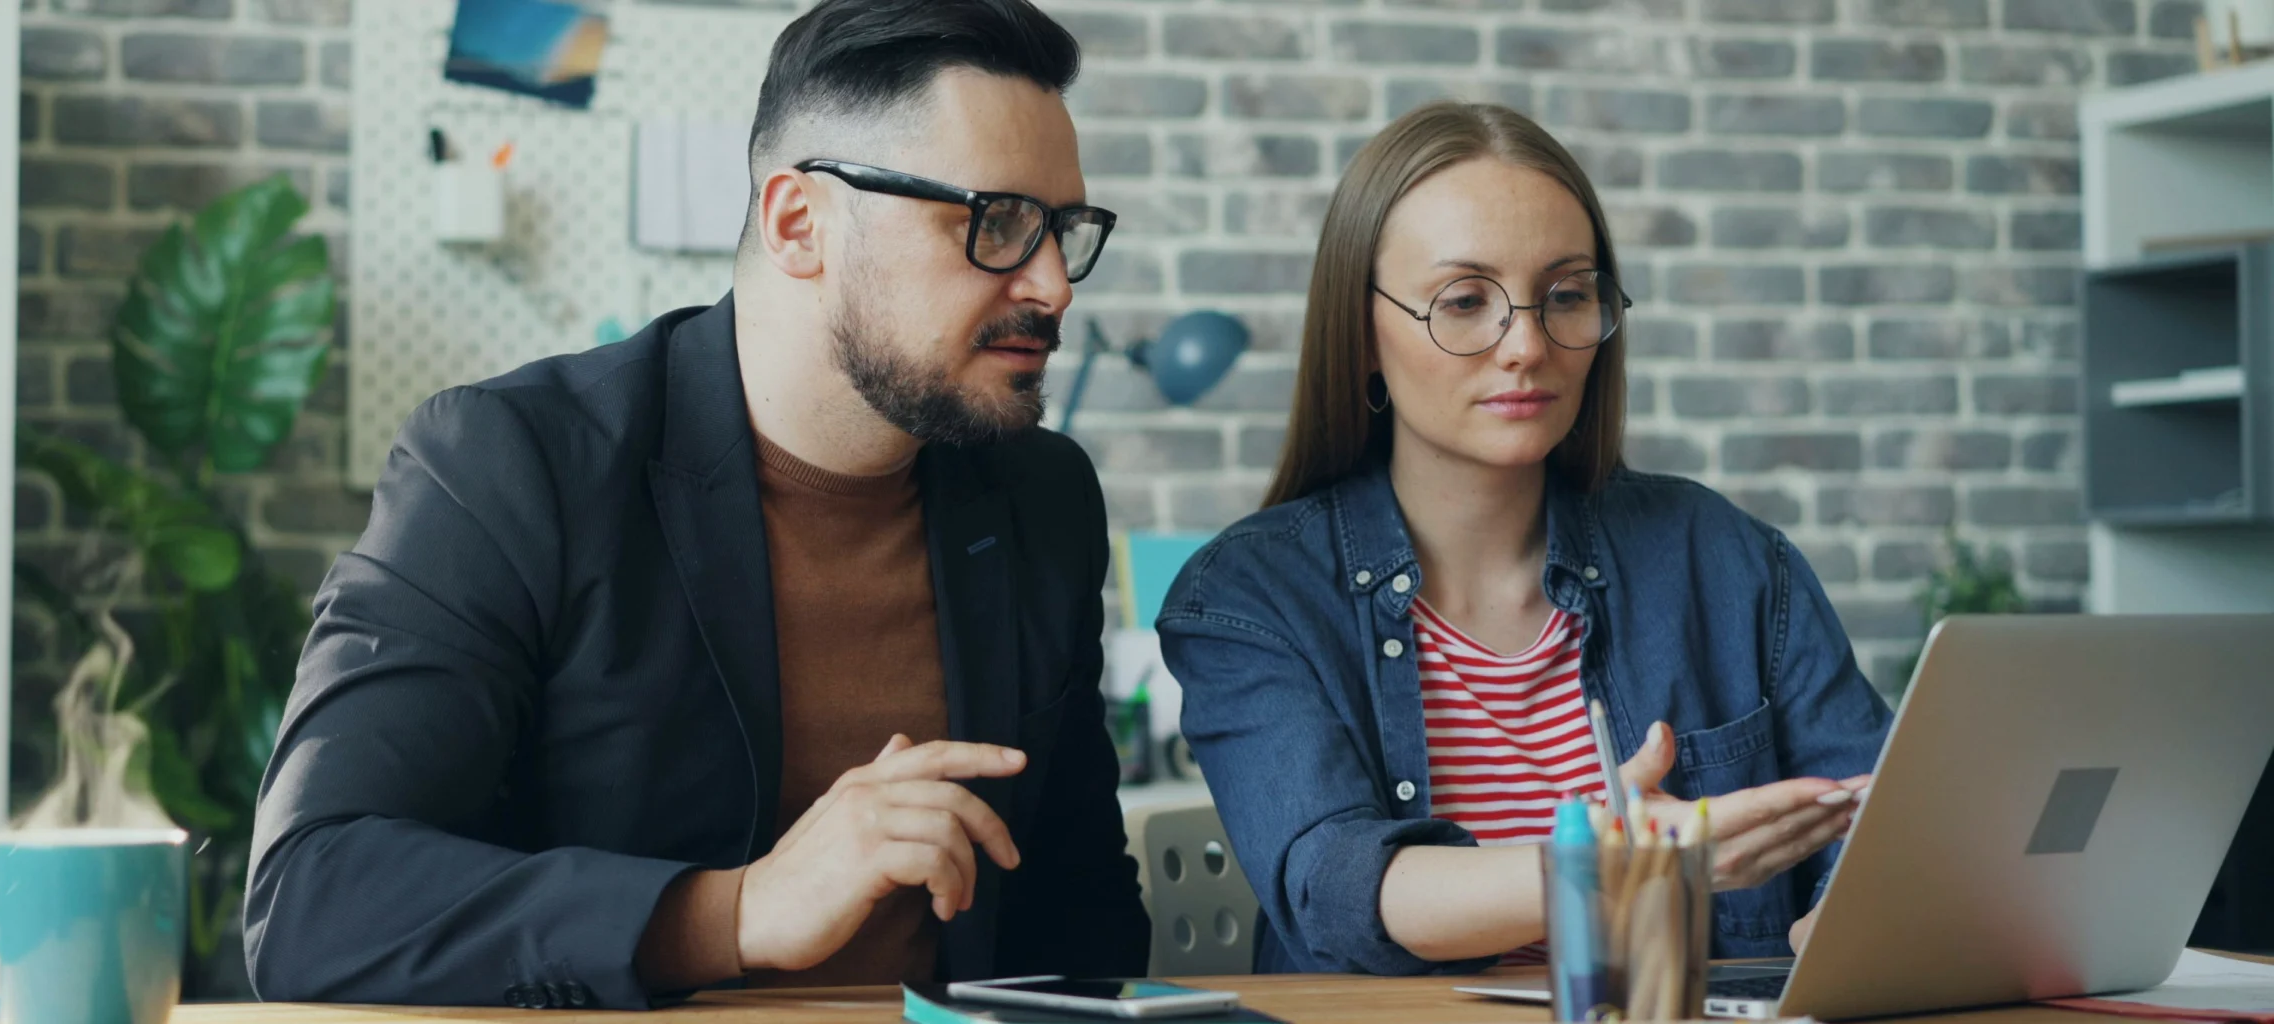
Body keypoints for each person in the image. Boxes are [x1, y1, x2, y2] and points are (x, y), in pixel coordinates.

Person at [244, 0, 1146, 1008]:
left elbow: (1077, 908)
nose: (1056, 284)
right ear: (798, 223)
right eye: (998, 223)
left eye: (1063, 229)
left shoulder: (1039, 493)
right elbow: (311, 896)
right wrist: (738, 909)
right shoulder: (513, 466)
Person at [1154, 102, 1891, 976]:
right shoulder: (1247, 597)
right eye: (1465, 301)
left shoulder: (1725, 559)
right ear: (1362, 334)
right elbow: (1341, 886)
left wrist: (1847, 927)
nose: (1528, 345)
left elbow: (1887, 823)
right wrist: (1608, 868)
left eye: (1567, 295)